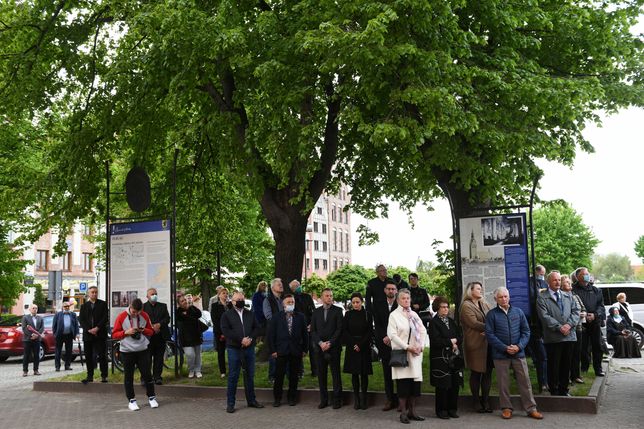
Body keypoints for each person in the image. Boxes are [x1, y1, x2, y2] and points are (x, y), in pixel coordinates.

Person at [485, 287, 543, 420]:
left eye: (505, 296)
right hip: (500, 355)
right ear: (495, 299)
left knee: (525, 382)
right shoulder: (491, 315)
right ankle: (506, 408)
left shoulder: (518, 312)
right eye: (500, 297)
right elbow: (490, 335)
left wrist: (519, 346)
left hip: (518, 353)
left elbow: (526, 332)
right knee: (503, 383)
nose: (504, 299)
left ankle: (531, 408)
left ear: (509, 297)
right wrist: (505, 348)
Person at [536, 271, 579, 396]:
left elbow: (576, 311)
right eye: (555, 280)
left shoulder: (568, 296)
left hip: (569, 336)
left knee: (566, 365)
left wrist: (569, 325)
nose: (558, 282)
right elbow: (544, 316)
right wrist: (560, 327)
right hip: (553, 338)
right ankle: (554, 390)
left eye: (559, 280)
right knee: (554, 366)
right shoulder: (542, 297)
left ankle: (564, 390)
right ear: (548, 282)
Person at [220, 291, 264, 413]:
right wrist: (241, 339)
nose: (241, 301)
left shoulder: (250, 314)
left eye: (242, 298)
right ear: (233, 302)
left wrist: (249, 338)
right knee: (233, 376)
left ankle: (251, 400)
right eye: (238, 299)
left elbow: (257, 328)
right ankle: (231, 403)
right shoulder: (227, 315)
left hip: (249, 348)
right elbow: (226, 331)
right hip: (234, 348)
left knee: (250, 375)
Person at [112, 298, 159, 411]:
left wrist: (143, 330)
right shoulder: (122, 316)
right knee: (129, 376)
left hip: (142, 349)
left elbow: (152, 331)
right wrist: (126, 332)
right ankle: (131, 400)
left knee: (147, 374)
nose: (135, 314)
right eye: (133, 312)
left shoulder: (144, 315)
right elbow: (114, 335)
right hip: (127, 351)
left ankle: (152, 397)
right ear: (130, 306)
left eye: (138, 312)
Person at [388, 288, 427, 424]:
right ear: (398, 300)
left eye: (408, 298)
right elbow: (392, 335)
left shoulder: (414, 314)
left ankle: (413, 412)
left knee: (415, 385)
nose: (406, 300)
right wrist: (407, 347)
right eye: (403, 298)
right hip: (403, 353)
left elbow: (422, 330)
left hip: (415, 354)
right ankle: (403, 413)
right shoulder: (394, 315)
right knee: (403, 385)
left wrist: (421, 345)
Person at [266, 294, 308, 407]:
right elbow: (270, 336)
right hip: (280, 351)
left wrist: (305, 349)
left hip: (295, 350)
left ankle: (292, 398)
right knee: (279, 376)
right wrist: (273, 350)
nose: (291, 304)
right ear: (283, 304)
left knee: (294, 376)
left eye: (292, 302)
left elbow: (305, 334)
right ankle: (277, 398)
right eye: (288, 302)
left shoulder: (300, 317)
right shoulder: (276, 317)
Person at [459, 281, 492, 412]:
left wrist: (490, 329)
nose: (481, 290)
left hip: (488, 343)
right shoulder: (466, 306)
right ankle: (476, 401)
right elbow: (473, 323)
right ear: (470, 291)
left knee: (488, 372)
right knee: (476, 373)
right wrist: (491, 328)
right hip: (475, 344)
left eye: (481, 288)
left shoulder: (484, 303)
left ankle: (486, 400)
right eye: (478, 289)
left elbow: (492, 317)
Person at [430, 296, 463, 420]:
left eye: (447, 307)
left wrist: (455, 343)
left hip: (453, 356)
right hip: (440, 357)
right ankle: (441, 410)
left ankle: (452, 409)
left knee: (455, 383)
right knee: (443, 384)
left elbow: (459, 336)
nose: (446, 309)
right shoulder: (434, 322)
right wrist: (451, 342)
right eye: (443, 307)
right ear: (437, 308)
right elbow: (436, 341)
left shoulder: (451, 321)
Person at [311, 288, 344, 409]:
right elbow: (313, 330)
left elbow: (339, 329)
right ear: (322, 297)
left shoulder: (338, 311)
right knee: (321, 374)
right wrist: (320, 343)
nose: (329, 298)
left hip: (333, 347)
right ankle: (323, 400)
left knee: (336, 374)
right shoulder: (316, 311)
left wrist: (330, 342)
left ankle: (337, 400)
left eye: (331, 296)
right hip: (320, 348)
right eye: (327, 296)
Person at [342, 292, 373, 410]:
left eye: (357, 302)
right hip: (352, 347)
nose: (355, 304)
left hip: (364, 347)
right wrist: (353, 344)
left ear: (362, 302)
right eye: (353, 302)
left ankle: (364, 398)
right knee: (354, 374)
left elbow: (370, 331)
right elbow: (345, 331)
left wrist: (360, 344)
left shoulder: (367, 314)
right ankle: (357, 399)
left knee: (364, 374)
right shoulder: (348, 314)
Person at [572, 267, 606, 376]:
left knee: (598, 346)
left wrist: (595, 315)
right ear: (578, 277)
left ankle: (598, 369)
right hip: (580, 323)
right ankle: (584, 368)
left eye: (588, 273)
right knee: (583, 347)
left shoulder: (596, 290)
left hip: (594, 322)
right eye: (584, 274)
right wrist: (583, 315)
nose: (587, 275)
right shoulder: (573, 290)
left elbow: (601, 306)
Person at [372, 280, 399, 411]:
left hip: (398, 342)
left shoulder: (400, 304)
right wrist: (384, 336)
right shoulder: (378, 304)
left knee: (399, 372)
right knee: (387, 373)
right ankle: (389, 399)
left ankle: (401, 399)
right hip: (384, 342)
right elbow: (377, 324)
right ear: (384, 290)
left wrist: (392, 337)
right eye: (388, 289)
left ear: (396, 291)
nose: (391, 291)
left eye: (393, 289)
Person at [79, 286, 109, 384]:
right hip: (88, 335)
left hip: (100, 334)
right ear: (89, 293)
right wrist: (89, 329)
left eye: (96, 292)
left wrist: (97, 328)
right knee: (88, 356)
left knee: (102, 356)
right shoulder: (84, 306)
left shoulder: (103, 304)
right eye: (92, 292)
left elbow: (105, 318)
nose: (94, 294)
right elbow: (81, 320)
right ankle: (90, 376)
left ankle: (104, 375)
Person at [142, 287, 170, 385]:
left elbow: (167, 318)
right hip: (148, 338)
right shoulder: (143, 307)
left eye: (155, 294)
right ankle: (146, 378)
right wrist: (152, 327)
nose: (154, 296)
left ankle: (157, 377)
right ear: (147, 296)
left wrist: (159, 324)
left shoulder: (163, 306)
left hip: (160, 336)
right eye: (152, 294)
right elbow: (141, 321)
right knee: (146, 359)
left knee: (159, 358)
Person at [289, 279, 316, 377]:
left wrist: (311, 324)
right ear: (292, 289)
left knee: (313, 349)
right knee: (299, 350)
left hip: (309, 327)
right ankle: (300, 371)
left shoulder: (307, 297)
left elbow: (314, 311)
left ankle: (315, 371)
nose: (298, 287)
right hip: (298, 328)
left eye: (298, 285)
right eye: (295, 286)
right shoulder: (291, 299)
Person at [528, 264, 548, 393]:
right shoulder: (530, 283)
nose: (542, 276)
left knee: (544, 357)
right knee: (541, 356)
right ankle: (543, 382)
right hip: (535, 324)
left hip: (545, 326)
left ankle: (546, 382)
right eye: (541, 273)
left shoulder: (544, 283)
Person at [563, 275, 586, 384]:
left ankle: (575, 375)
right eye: (567, 282)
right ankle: (566, 377)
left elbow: (583, 308)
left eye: (569, 282)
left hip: (579, 328)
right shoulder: (561, 297)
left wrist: (583, 313)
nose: (569, 284)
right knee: (568, 355)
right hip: (568, 329)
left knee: (577, 353)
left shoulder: (575, 296)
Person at [175, 294, 203, 378]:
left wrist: (190, 310)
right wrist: (190, 317)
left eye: (185, 300)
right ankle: (191, 369)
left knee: (197, 355)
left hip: (196, 335)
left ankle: (197, 370)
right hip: (185, 338)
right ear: (179, 304)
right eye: (182, 301)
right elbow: (182, 319)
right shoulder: (178, 312)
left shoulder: (192, 308)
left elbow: (199, 314)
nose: (184, 302)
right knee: (190, 355)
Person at [264, 278, 284, 383]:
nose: (281, 285)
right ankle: (272, 376)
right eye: (278, 284)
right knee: (274, 354)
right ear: (272, 288)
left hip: (284, 332)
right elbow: (269, 316)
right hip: (273, 331)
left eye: (281, 284)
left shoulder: (283, 299)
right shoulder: (268, 300)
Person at [211, 287, 232, 378]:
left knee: (232, 351)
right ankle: (222, 371)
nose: (225, 295)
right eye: (223, 293)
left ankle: (233, 369)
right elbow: (215, 320)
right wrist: (223, 332)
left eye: (226, 293)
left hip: (231, 332)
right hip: (220, 332)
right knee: (221, 352)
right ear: (219, 295)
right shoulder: (215, 305)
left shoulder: (230, 305)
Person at [52, 301, 80, 371]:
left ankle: (67, 365)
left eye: (68, 306)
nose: (67, 307)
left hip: (69, 335)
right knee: (58, 351)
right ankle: (57, 366)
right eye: (65, 306)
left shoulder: (73, 314)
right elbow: (54, 326)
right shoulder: (58, 315)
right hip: (60, 335)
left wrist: (77, 333)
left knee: (69, 351)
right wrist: (55, 334)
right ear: (63, 307)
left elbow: (76, 325)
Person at [21, 304, 44, 376]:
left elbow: (42, 328)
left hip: (37, 340)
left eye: (36, 308)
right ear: (30, 309)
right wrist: (31, 335)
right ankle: (25, 371)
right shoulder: (25, 318)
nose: (35, 309)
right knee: (26, 355)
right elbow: (24, 328)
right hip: (27, 339)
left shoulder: (40, 318)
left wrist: (37, 335)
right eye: (33, 308)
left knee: (36, 355)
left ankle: (36, 370)